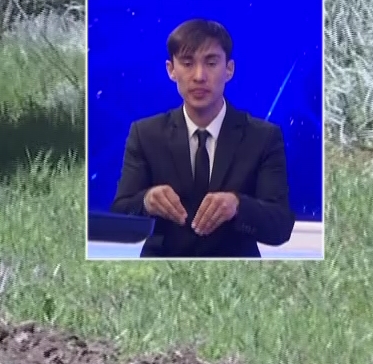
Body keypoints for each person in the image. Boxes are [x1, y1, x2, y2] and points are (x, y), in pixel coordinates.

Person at [109, 18, 295, 258]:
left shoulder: (263, 137)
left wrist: (237, 206)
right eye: (187, 63)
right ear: (171, 70)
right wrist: (146, 201)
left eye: (211, 63)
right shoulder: (145, 134)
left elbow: (280, 226)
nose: (199, 76)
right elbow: (120, 213)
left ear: (229, 69)